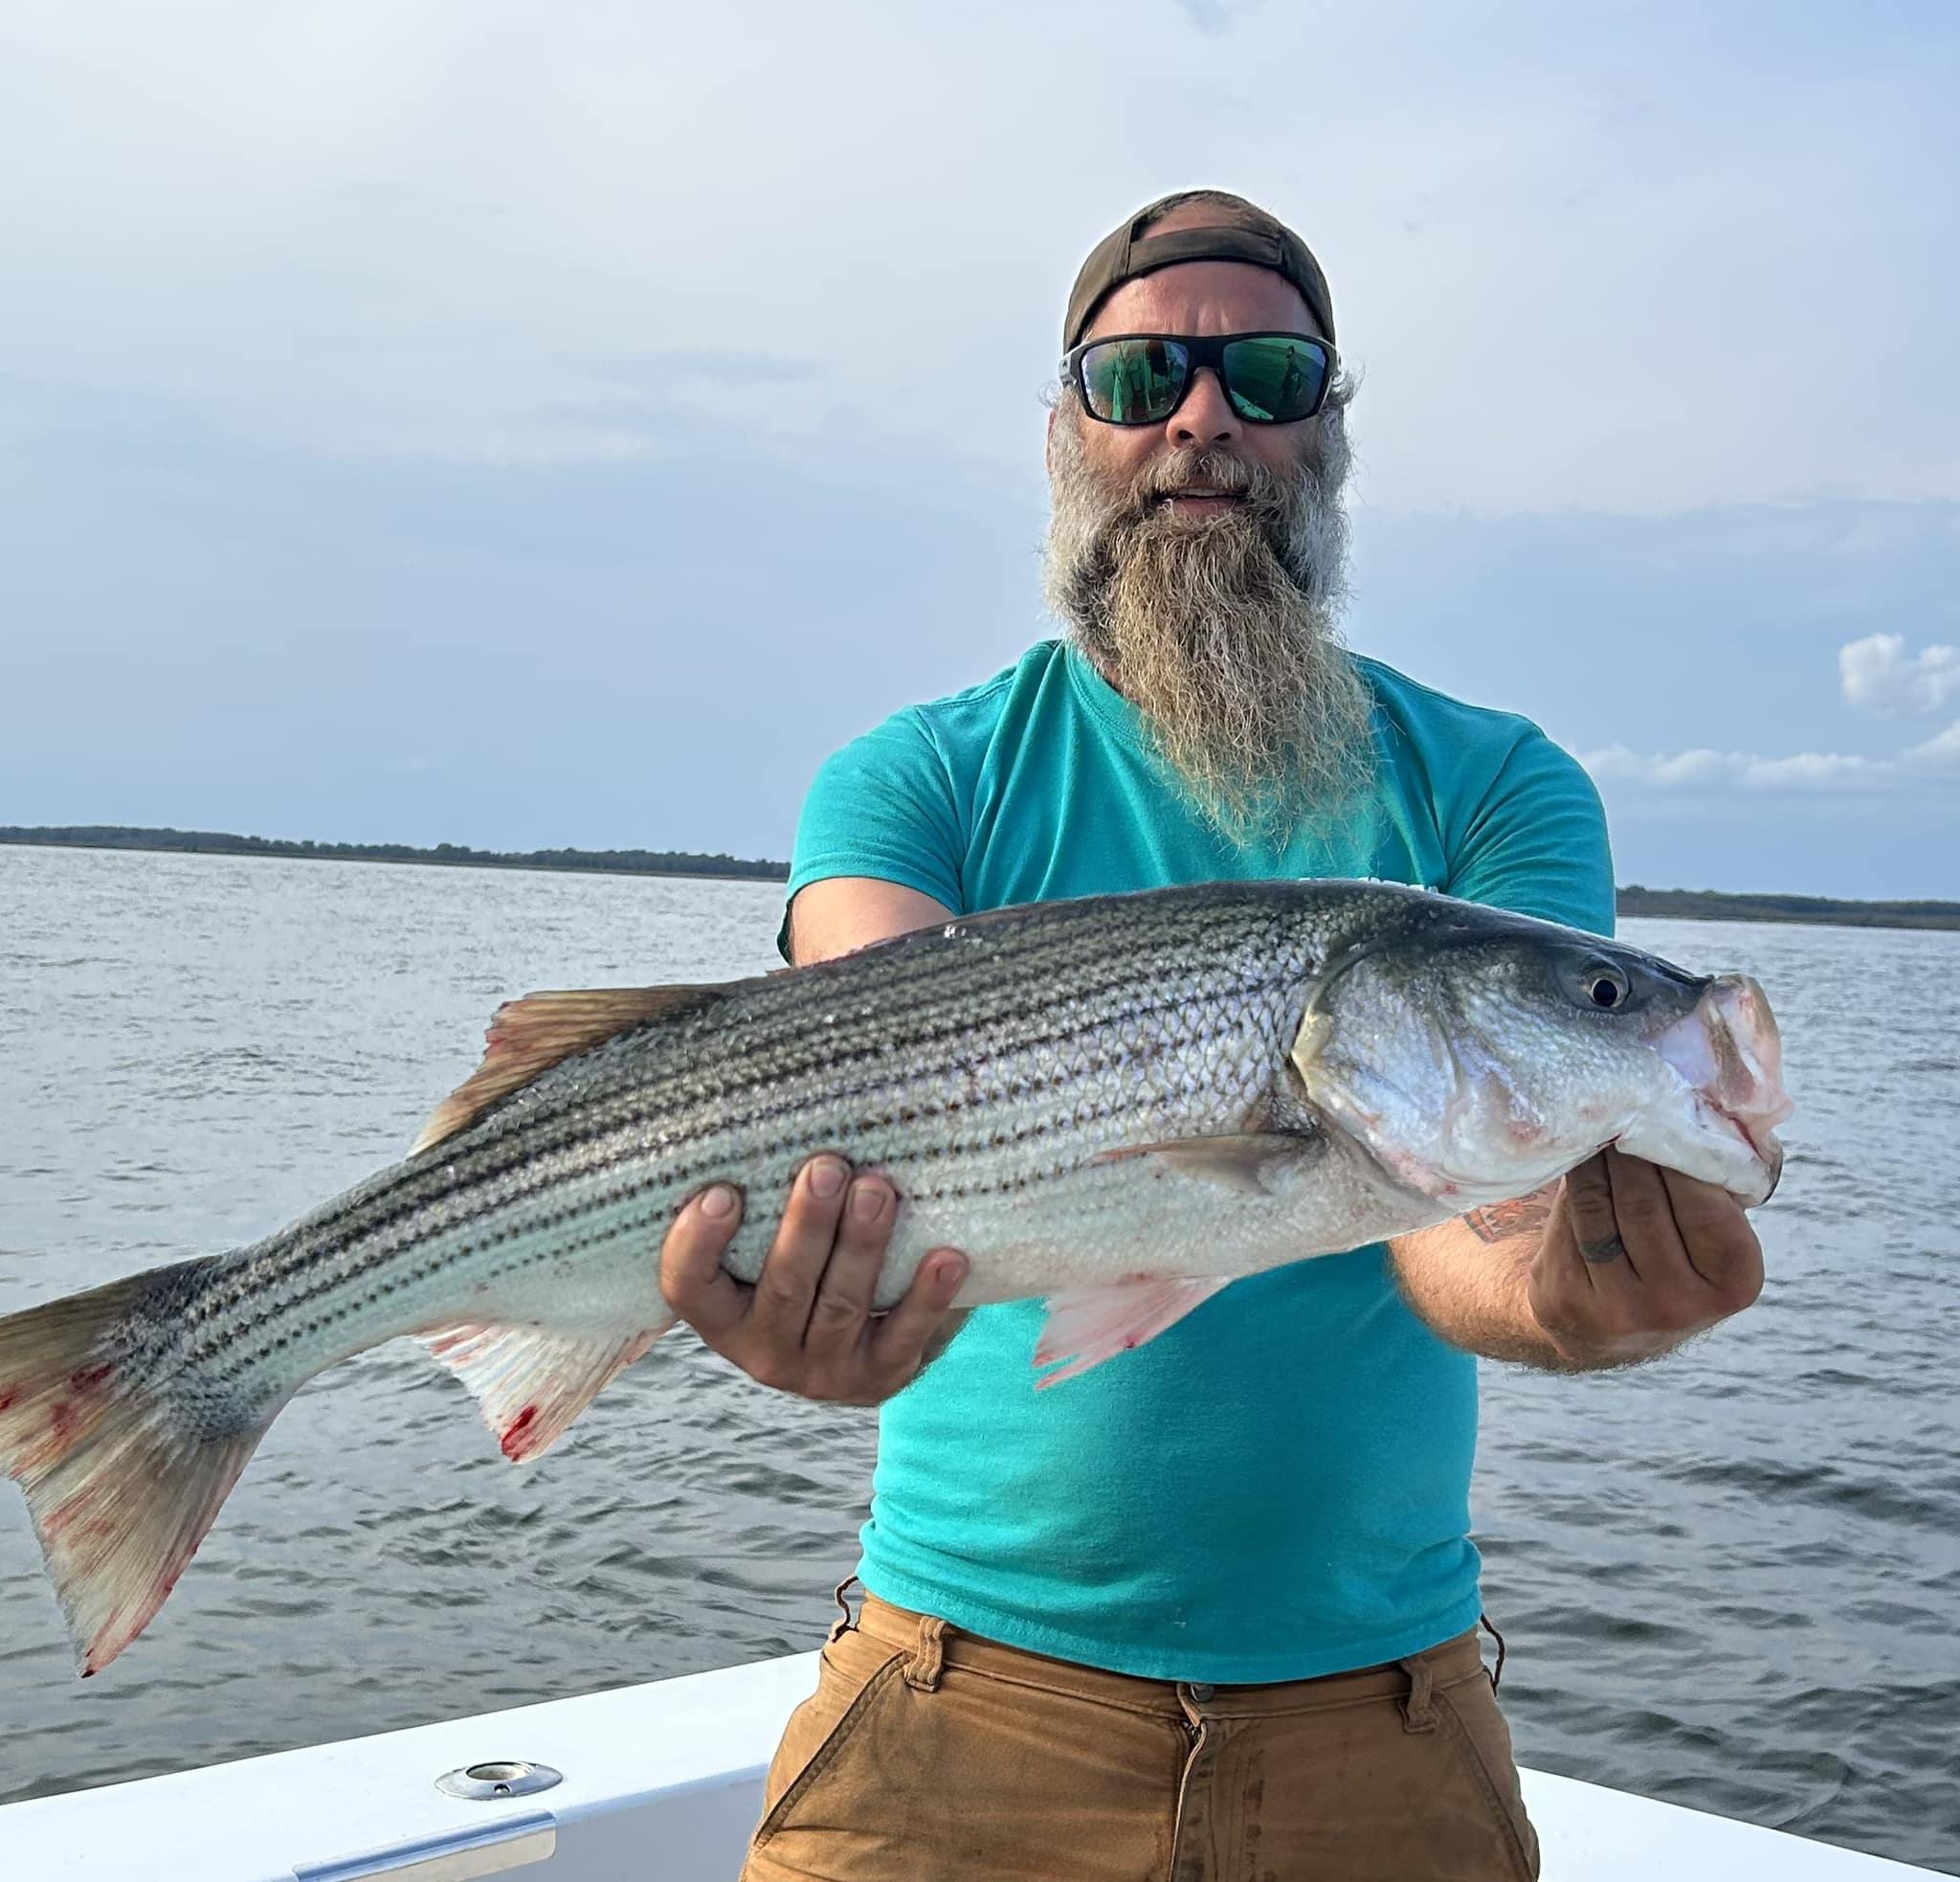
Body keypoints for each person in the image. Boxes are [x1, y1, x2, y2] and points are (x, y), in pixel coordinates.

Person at [657, 190, 1768, 1882]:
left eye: (1264, 373)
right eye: (1137, 381)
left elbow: (1472, 1228)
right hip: (956, 1699)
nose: (1201, 422)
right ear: (1063, 434)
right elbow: (861, 1041)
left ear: (1330, 430)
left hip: (1378, 1728)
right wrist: (825, 1269)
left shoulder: (1495, 787)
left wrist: (1561, 1285)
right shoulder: (917, 776)